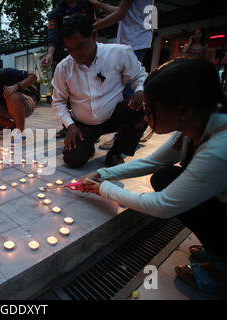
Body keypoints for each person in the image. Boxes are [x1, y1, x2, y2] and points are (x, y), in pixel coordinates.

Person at [79, 59, 227, 296]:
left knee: (167, 182)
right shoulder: (195, 126)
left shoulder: (220, 147)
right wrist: (102, 174)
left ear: (184, 110)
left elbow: (163, 206)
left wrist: (103, 189)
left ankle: (222, 269)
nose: (144, 117)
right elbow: (152, 161)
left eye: (150, 110)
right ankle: (217, 248)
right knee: (164, 175)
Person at [52, 15, 147, 168]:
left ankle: (117, 151)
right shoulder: (63, 67)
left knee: (142, 108)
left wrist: (140, 90)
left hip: (113, 115)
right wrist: (70, 126)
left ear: (93, 36)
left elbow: (139, 76)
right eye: (70, 49)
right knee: (73, 159)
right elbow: (58, 101)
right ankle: (87, 146)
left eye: (80, 46)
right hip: (83, 124)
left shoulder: (119, 53)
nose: (75, 53)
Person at [91, 0, 155, 149]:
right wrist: (100, 5)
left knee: (127, 93)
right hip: (140, 41)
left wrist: (89, 29)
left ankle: (121, 139)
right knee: (126, 90)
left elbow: (120, 14)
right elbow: (124, 11)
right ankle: (129, 132)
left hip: (134, 42)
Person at [41, 0, 97, 140]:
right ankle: (68, 125)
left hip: (87, 55)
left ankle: (92, 126)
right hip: (64, 54)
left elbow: (92, 27)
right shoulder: (56, 13)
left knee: (88, 89)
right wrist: (50, 54)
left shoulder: (87, 6)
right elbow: (52, 35)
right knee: (65, 92)